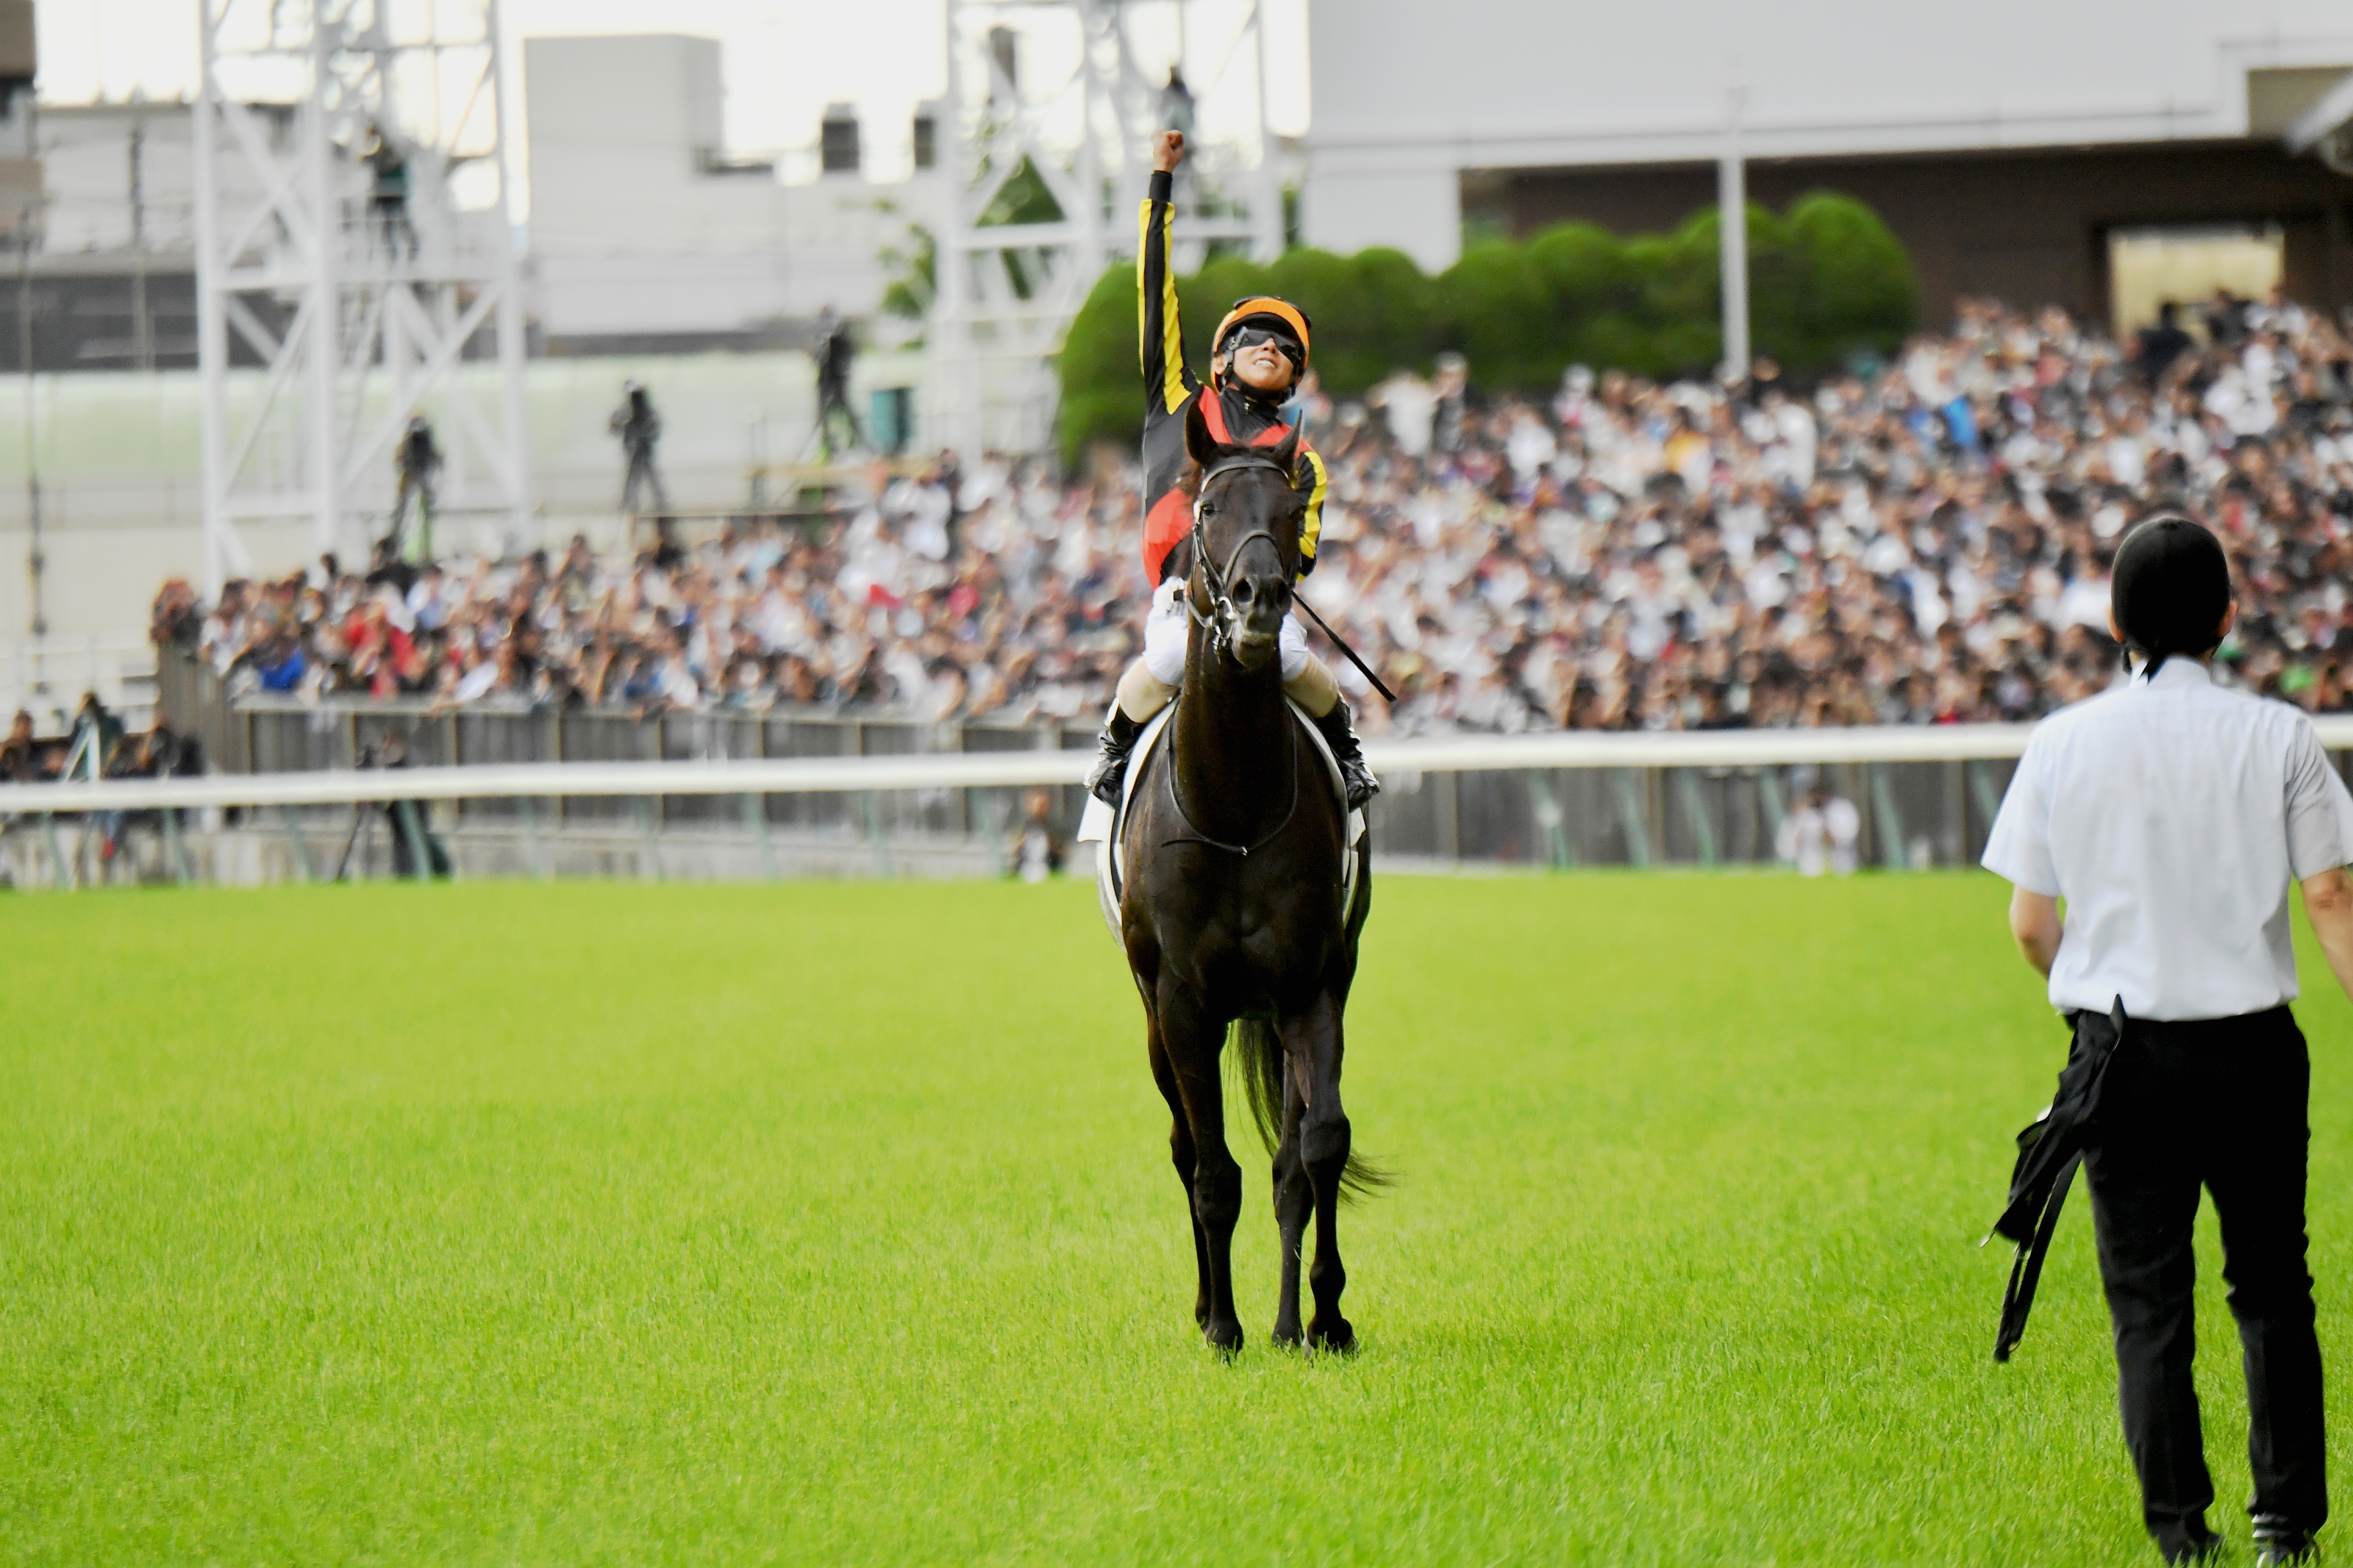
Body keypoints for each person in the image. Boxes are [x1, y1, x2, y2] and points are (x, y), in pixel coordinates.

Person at [1982, 516, 2353, 1565]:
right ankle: (2285, 1522)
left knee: (2149, 1299)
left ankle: (2181, 1533)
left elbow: (2028, 921)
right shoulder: (2279, 734)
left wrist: (2080, 993)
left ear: (2114, 623)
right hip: (2253, 1050)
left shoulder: (2063, 739)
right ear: (2229, 620)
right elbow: (2329, 893)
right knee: (2274, 1286)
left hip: (2124, 1054)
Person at [1083, 127, 1376, 809]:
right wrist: (1161, 185)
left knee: (1297, 662)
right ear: (1220, 358)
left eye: (1286, 347)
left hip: (1261, 603)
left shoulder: (1303, 458)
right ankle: (1113, 750)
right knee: (1161, 662)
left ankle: (1348, 757)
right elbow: (1156, 292)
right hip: (1182, 599)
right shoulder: (1180, 402)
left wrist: (1267, 577)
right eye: (1255, 339)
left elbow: (1299, 552)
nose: (1271, 348)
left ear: (1297, 374)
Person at [610, 380, 668, 515]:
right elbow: (614, 426)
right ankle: (627, 506)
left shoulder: (648, 412)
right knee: (631, 482)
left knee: (653, 481)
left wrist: (644, 435)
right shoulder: (625, 411)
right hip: (632, 452)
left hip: (645, 453)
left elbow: (655, 429)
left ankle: (661, 506)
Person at [813, 307, 863, 457]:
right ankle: (829, 445)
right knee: (827, 417)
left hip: (835, 382)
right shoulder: (830, 336)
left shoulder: (833, 337)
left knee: (841, 414)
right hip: (829, 382)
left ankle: (850, 443)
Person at [390, 414, 441, 560]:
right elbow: (400, 459)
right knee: (403, 512)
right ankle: (396, 546)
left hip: (419, 477)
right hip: (412, 476)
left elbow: (433, 457)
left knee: (424, 511)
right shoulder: (410, 442)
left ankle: (425, 550)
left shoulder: (423, 440)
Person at [361, 121, 414, 259]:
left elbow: (389, 163)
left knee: (396, 225)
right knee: (389, 227)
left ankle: (402, 251)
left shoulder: (388, 152)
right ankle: (391, 254)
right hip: (386, 194)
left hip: (392, 194)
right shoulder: (383, 152)